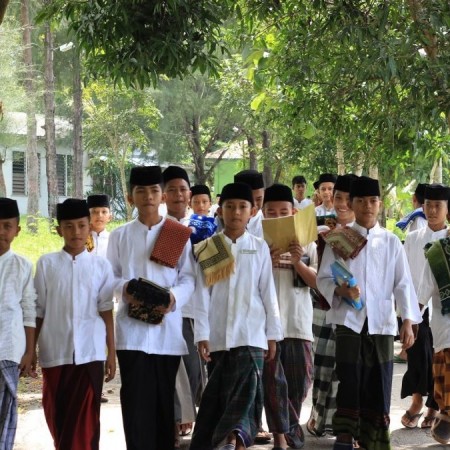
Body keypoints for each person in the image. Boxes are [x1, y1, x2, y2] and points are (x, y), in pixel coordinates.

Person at [317, 175, 422, 450]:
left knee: (379, 381)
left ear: (380, 204)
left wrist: (408, 321)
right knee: (350, 380)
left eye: (372, 200)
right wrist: (341, 292)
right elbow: (324, 279)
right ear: (351, 203)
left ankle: (373, 440)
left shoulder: (391, 242)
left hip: (382, 324)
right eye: (361, 201)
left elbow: (403, 284)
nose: (367, 206)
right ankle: (344, 436)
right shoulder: (338, 239)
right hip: (349, 321)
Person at [107, 166, 195, 450]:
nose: (148, 196)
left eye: (154, 191)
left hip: (167, 334)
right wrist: (125, 290)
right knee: (134, 404)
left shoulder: (177, 233)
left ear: (163, 196)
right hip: (131, 333)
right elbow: (109, 276)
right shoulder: (119, 236)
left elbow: (189, 278)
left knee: (162, 405)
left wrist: (173, 298)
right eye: (141, 191)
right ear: (131, 197)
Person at [190, 182, 283, 450]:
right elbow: (201, 296)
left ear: (253, 211)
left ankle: (235, 440)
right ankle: (226, 438)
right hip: (218, 336)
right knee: (220, 396)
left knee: (246, 393)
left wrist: (273, 336)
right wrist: (202, 335)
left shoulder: (259, 246)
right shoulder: (209, 247)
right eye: (230, 206)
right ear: (220, 210)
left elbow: (268, 293)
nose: (236, 212)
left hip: (252, 334)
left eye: (242, 206)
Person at [34, 198, 116, 450]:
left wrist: (111, 353)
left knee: (85, 421)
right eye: (69, 227)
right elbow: (38, 311)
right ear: (59, 230)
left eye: (81, 226)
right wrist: (31, 350)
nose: (76, 232)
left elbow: (106, 310)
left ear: (89, 227)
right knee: (57, 416)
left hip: (90, 353)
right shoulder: (47, 264)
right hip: (54, 353)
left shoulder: (101, 266)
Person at [262, 183, 317, 450]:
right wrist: (265, 263)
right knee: (273, 384)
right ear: (262, 214)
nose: (277, 217)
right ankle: (281, 439)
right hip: (268, 326)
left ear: (293, 212)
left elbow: (319, 282)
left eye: (283, 212)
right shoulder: (257, 242)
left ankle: (290, 430)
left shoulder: (308, 240)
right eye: (271, 213)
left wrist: (298, 261)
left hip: (298, 322)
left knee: (300, 384)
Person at [307, 174, 357, 438]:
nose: (342, 203)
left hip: (355, 310)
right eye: (338, 197)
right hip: (323, 305)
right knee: (323, 366)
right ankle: (319, 416)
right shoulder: (323, 233)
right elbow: (317, 274)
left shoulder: (367, 235)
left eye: (348, 199)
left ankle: (345, 424)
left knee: (347, 369)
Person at [400, 184, 448, 430]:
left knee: (437, 360)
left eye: (437, 206)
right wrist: (406, 313)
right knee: (417, 358)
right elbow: (404, 274)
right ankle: (418, 402)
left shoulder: (447, 241)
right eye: (428, 205)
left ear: (447, 210)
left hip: (441, 311)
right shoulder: (412, 238)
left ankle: (434, 408)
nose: (431, 210)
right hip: (415, 307)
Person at [0, 198, 36, 450]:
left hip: (10, 351)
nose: (1, 231)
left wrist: (30, 351)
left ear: (17, 230)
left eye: (6, 226)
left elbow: (29, 311)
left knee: (5, 415)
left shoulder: (23, 265)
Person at [416, 184, 450, 445]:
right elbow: (422, 294)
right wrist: (410, 323)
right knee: (443, 390)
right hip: (444, 332)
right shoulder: (437, 251)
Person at [87, 193, 113, 403]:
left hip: (106, 298)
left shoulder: (113, 240)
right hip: (84, 299)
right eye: (94, 212)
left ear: (110, 216)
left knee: (103, 341)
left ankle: (99, 386)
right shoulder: (81, 238)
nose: (99, 216)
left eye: (103, 212)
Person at [234, 169, 265, 238]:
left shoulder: (268, 219)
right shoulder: (224, 220)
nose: (254, 204)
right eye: (249, 199)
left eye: (259, 199)